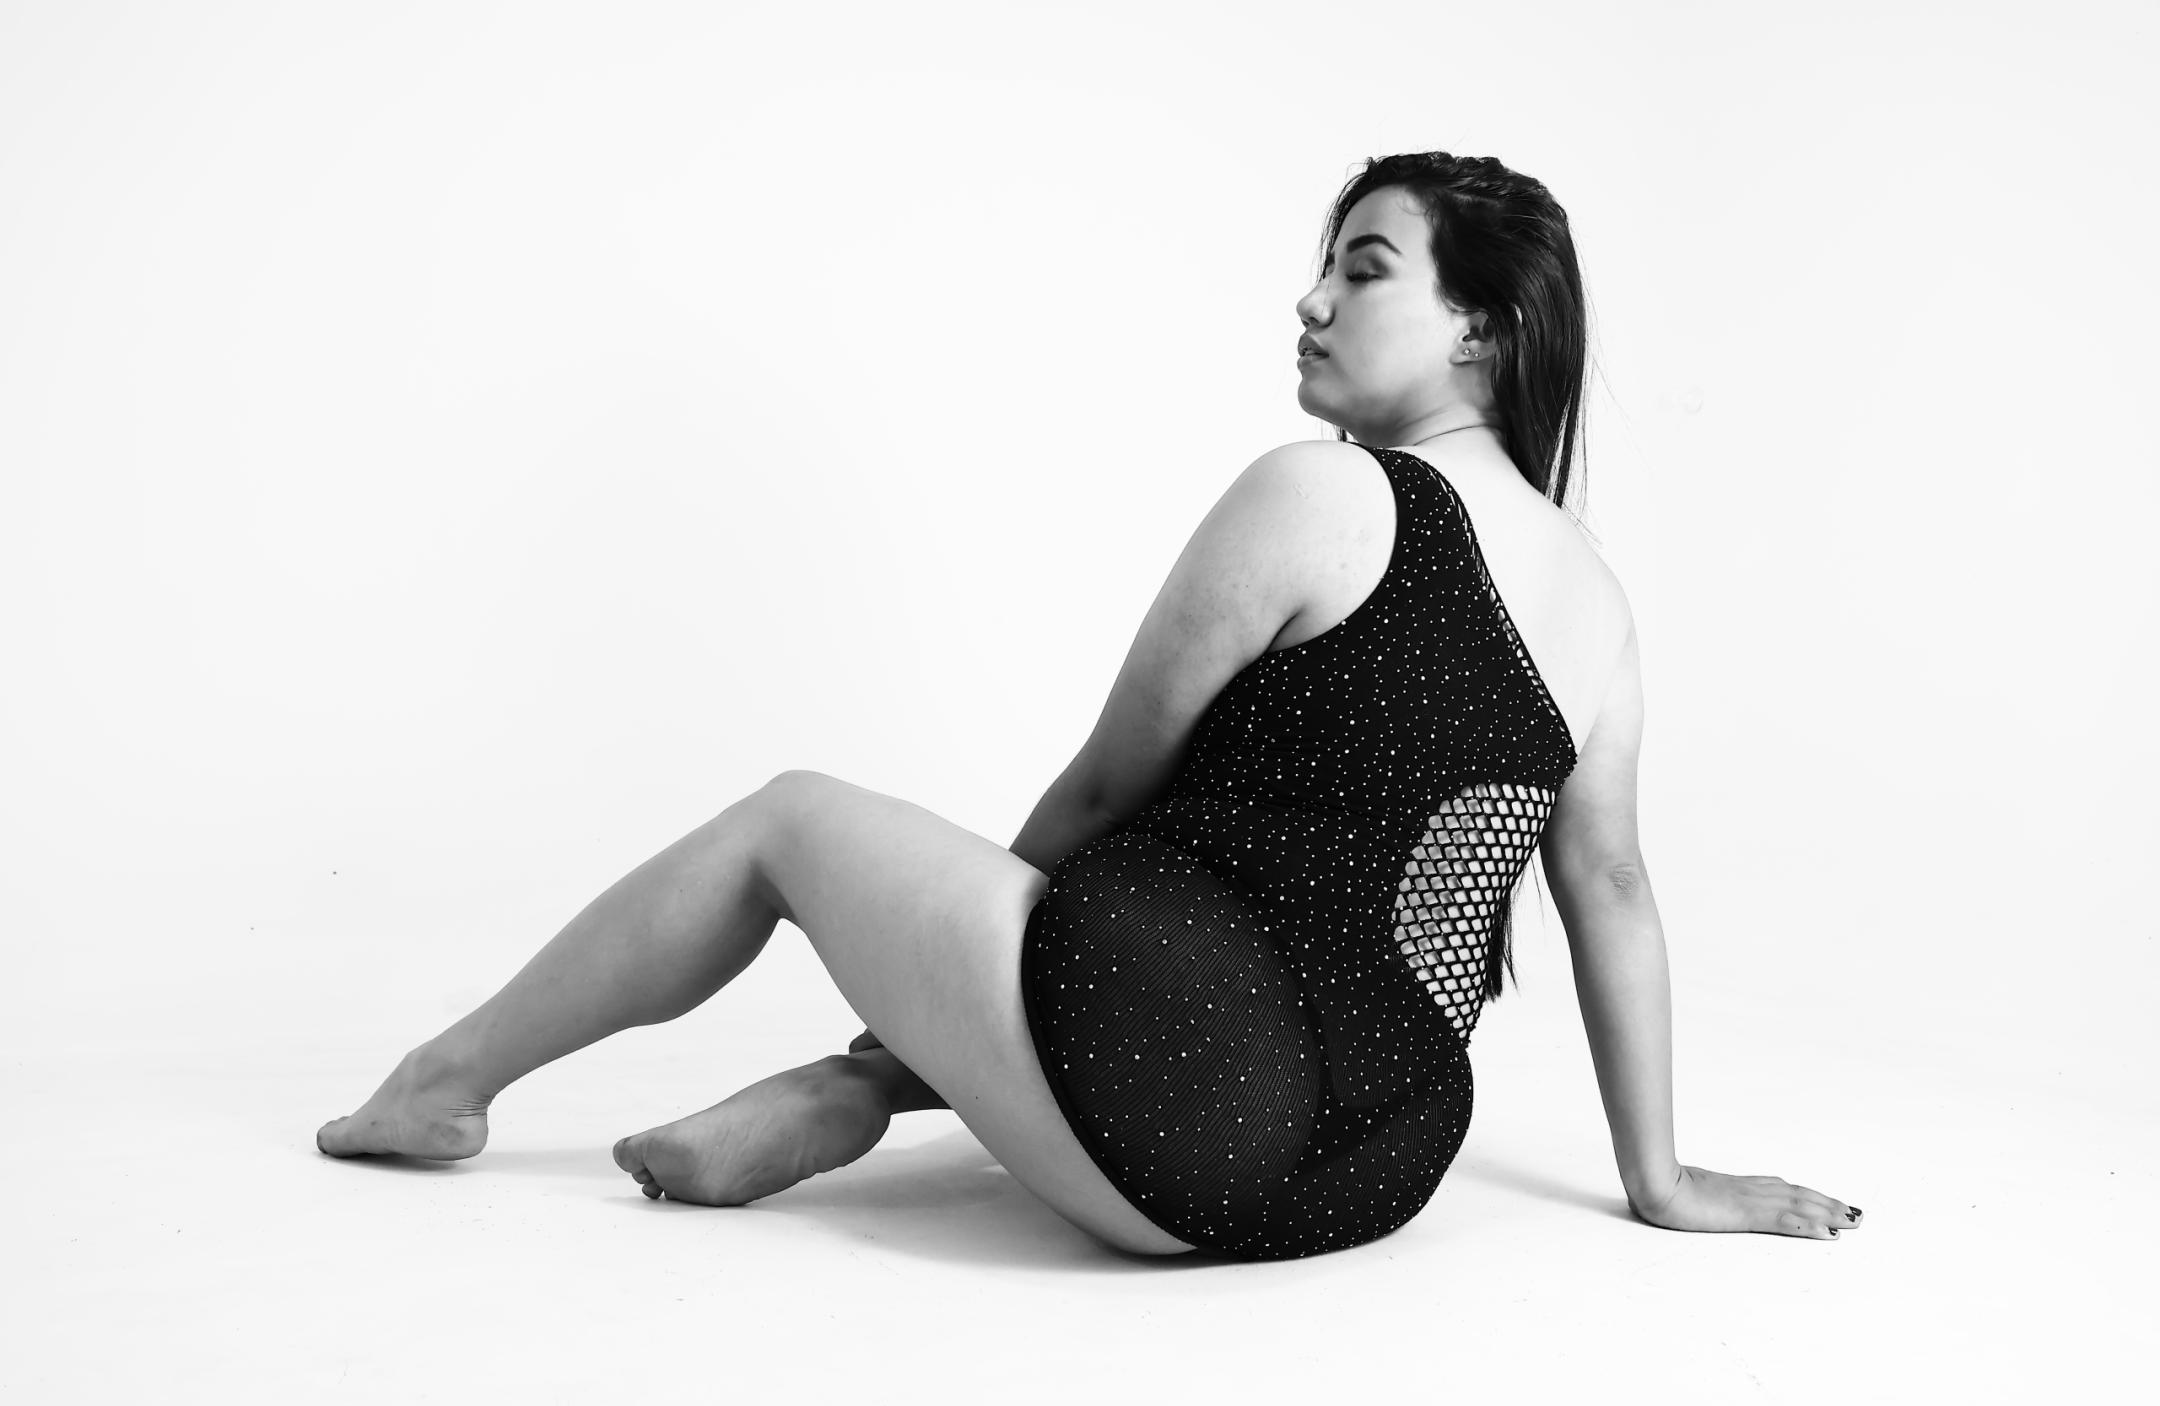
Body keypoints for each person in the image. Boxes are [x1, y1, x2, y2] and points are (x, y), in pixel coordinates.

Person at [318, 151, 1862, 1260]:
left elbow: (1105, 795)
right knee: (1140, 947)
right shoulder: (1602, 607)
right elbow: (1614, 889)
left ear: (1481, 326)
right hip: (1379, 1163)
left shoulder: (1325, 498)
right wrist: (1662, 1180)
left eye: (1365, 267)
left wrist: (917, 1007)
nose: (1313, 297)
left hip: (1180, 1108)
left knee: (789, 821)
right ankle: (857, 1095)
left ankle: (446, 1089)